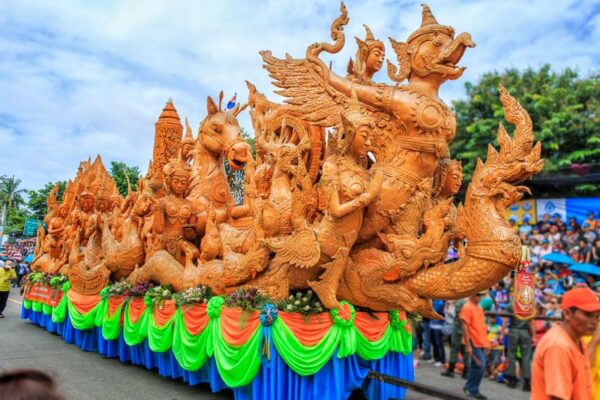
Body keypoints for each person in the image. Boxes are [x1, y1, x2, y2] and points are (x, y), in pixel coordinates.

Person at [531, 287, 599, 399]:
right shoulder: (559, 346)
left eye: (597, 316)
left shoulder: (578, 339)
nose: (594, 322)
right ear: (567, 313)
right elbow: (558, 397)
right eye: (588, 315)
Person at [460, 292, 491, 399]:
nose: (479, 297)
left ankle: (472, 388)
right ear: (472, 295)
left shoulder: (478, 307)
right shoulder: (467, 307)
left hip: (480, 341)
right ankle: (471, 388)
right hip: (473, 342)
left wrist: (486, 344)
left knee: (477, 366)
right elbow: (464, 326)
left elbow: (482, 327)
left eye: (480, 295)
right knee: (480, 366)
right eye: (478, 294)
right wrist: (468, 345)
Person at [502, 302, 533, 391]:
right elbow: (531, 321)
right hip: (525, 331)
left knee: (511, 355)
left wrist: (503, 330)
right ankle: (526, 383)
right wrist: (533, 335)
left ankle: (512, 381)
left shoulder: (510, 304)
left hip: (513, 330)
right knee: (526, 357)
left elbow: (505, 319)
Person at [442, 298, 470, 378]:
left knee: (454, 350)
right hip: (465, 330)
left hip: (458, 330)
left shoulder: (460, 302)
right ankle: (466, 372)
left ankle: (451, 371)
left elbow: (459, 316)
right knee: (465, 351)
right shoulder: (468, 302)